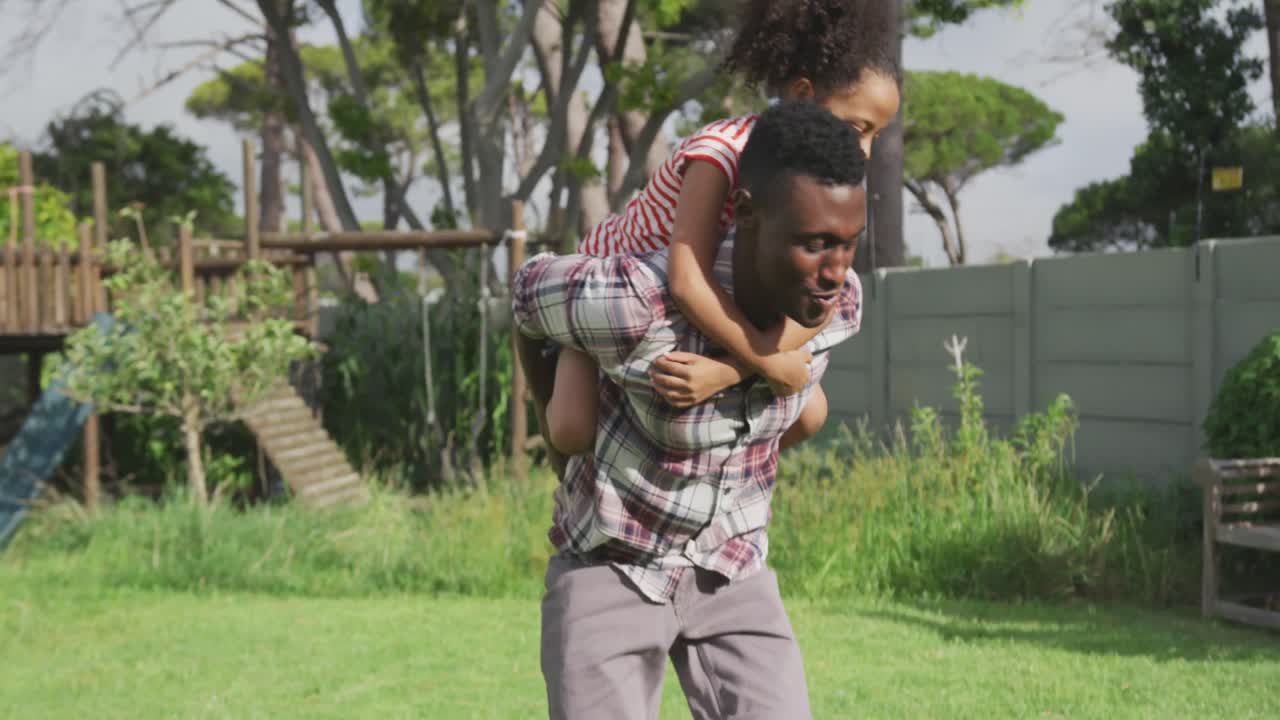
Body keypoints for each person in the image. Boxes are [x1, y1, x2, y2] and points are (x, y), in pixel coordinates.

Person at [513, 100, 868, 719]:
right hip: (613, 570)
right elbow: (525, 292)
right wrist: (558, 425)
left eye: (849, 244)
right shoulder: (637, 307)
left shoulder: (839, 304)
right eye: (815, 245)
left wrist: (746, 363)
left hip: (733, 569)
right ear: (750, 215)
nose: (836, 272)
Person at [541, 0, 900, 474]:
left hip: (700, 306)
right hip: (620, 289)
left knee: (811, 414)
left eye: (876, 135)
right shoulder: (723, 151)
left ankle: (719, 478)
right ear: (803, 94)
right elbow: (686, 279)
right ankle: (561, 408)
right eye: (858, 127)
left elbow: (828, 298)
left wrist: (731, 371)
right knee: (571, 428)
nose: (865, 149)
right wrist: (767, 363)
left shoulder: (817, 189)